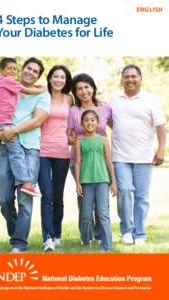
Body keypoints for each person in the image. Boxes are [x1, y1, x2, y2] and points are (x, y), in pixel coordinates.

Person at [0, 57, 51, 252]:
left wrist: (13, 130)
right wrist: (0, 134)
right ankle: (15, 233)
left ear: (38, 76)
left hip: (29, 148)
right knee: (4, 198)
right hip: (6, 146)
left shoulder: (42, 94)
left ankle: (19, 243)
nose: (30, 72)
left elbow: (38, 120)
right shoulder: (6, 88)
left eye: (35, 71)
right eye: (28, 68)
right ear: (22, 69)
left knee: (24, 197)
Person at [109, 64, 166, 246]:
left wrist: (161, 149)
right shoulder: (114, 99)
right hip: (120, 156)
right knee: (124, 191)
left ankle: (140, 233)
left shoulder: (151, 99)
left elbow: (160, 127)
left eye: (134, 76)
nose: (130, 79)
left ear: (140, 79)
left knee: (142, 196)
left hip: (144, 156)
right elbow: (109, 121)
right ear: (122, 79)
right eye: (126, 76)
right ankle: (127, 230)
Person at [0, 57, 46, 196]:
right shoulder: (8, 81)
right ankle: (25, 182)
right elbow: (27, 91)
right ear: (1, 70)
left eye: (14, 69)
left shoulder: (2, 83)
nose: (12, 71)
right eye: (9, 68)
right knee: (16, 152)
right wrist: (41, 89)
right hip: (4, 123)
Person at [67, 73, 112, 242]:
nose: (83, 91)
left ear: (93, 87)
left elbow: (115, 129)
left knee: (101, 201)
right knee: (84, 201)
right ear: (75, 92)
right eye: (79, 88)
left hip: (101, 162)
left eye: (86, 87)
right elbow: (68, 137)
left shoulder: (105, 107)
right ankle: (86, 236)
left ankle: (100, 235)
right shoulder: (73, 111)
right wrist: (76, 140)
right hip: (79, 161)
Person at [38, 65, 73, 252]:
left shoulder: (70, 99)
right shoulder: (42, 96)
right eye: (55, 76)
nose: (59, 80)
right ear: (50, 78)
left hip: (62, 152)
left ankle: (57, 234)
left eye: (62, 77)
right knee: (47, 195)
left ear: (66, 81)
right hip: (42, 151)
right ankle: (48, 237)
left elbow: (78, 117)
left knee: (58, 197)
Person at [75, 110, 117, 251]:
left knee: (102, 213)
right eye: (86, 120)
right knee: (86, 214)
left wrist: (113, 182)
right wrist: (77, 182)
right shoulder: (79, 141)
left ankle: (107, 244)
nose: (89, 122)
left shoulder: (104, 140)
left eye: (92, 120)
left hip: (102, 181)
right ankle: (86, 240)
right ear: (82, 123)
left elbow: (109, 161)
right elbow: (78, 163)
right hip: (86, 181)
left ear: (97, 122)